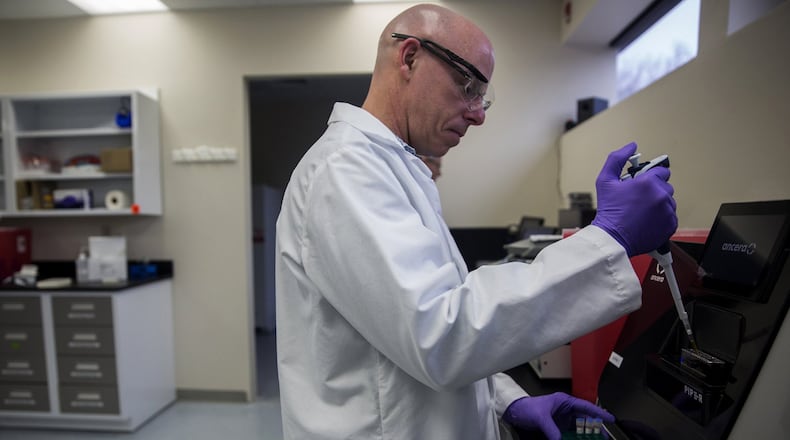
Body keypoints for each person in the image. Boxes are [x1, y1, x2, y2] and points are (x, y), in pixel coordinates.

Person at [275, 4, 676, 440]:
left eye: (481, 97)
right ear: (409, 57)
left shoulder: (393, 168)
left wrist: (508, 401)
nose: (478, 113)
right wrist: (609, 238)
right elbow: (440, 335)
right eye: (468, 86)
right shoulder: (345, 171)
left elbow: (427, 324)